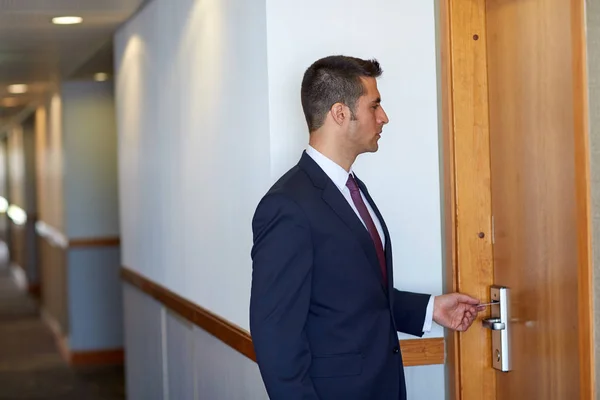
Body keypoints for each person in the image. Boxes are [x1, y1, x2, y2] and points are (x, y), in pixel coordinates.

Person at [249, 55, 483, 400]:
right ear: (340, 114)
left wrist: (430, 309)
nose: (384, 117)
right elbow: (275, 337)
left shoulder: (353, 189)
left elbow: (351, 295)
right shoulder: (287, 206)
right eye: (375, 106)